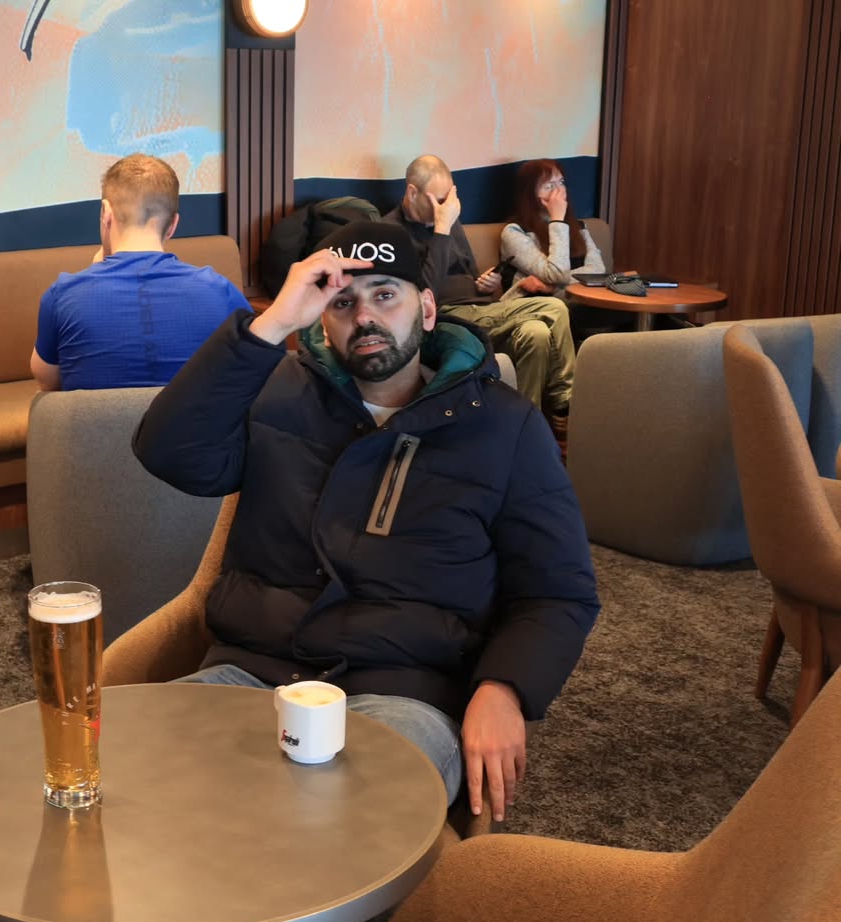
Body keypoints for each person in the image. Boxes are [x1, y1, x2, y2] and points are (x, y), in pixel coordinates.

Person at [132, 220, 599, 824]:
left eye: (385, 295)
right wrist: (271, 323)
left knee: (344, 823)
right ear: (321, 322)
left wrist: (504, 688)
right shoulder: (275, 393)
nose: (365, 317)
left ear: (426, 309)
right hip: (251, 672)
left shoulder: (503, 427)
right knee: (133, 777)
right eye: (342, 303)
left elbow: (557, 591)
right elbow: (169, 452)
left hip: (404, 691)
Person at [383, 154, 577, 454]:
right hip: (446, 319)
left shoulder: (450, 222)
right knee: (553, 308)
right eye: (441, 200)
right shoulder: (392, 233)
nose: (447, 207)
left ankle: (525, 431)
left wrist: (487, 284)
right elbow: (423, 296)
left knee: (536, 334)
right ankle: (564, 403)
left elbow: (469, 279)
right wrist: (442, 230)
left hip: (479, 310)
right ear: (412, 193)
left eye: (450, 198)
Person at [30, 154, 250, 392]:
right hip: (192, 418)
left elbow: (48, 383)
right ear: (173, 225)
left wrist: (92, 274)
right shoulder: (221, 293)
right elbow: (249, 369)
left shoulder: (62, 296)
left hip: (98, 419)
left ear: (105, 213)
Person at [500, 158, 606, 300]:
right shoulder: (514, 231)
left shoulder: (579, 227)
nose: (559, 191)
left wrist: (553, 287)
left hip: (575, 299)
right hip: (536, 304)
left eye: (561, 182)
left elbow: (598, 270)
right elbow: (556, 275)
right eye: (549, 186)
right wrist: (557, 220)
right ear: (530, 194)